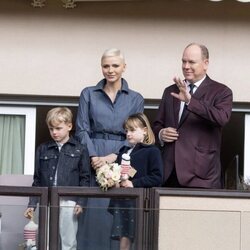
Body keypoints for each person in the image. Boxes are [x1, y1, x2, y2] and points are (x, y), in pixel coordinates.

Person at [75, 48, 144, 250]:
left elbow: (136, 133)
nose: (110, 70)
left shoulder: (135, 98)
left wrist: (113, 156)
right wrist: (95, 155)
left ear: (124, 67)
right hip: (92, 156)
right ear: (101, 67)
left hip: (122, 157)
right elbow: (81, 129)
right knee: (92, 215)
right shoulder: (88, 93)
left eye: (115, 65)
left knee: (119, 213)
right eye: (106, 66)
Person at [153, 43, 233, 189]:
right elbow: (157, 124)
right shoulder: (170, 91)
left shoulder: (222, 91)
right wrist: (161, 134)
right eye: (184, 61)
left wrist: (190, 101)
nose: (186, 66)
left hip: (202, 176)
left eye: (191, 62)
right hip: (168, 173)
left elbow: (221, 118)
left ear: (205, 63)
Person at [24, 107, 90, 250]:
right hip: (46, 200)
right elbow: (37, 180)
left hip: (69, 201)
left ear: (69, 126)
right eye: (51, 128)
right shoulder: (43, 149)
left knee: (68, 241)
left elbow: (85, 178)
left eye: (58, 128)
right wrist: (32, 205)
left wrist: (81, 202)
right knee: (45, 240)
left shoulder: (80, 149)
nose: (54, 132)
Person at [109, 113, 163, 250]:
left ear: (144, 130)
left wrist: (134, 184)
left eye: (132, 130)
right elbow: (118, 172)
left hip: (139, 202)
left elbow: (157, 177)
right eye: (127, 131)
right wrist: (112, 180)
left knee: (140, 237)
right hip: (122, 201)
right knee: (124, 236)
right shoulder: (123, 152)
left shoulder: (152, 151)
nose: (128, 134)